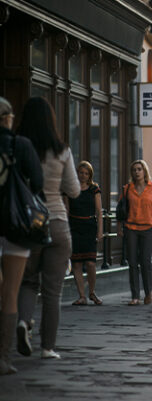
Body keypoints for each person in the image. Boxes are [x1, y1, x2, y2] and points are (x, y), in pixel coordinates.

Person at [16, 97, 80, 360]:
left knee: (28, 281)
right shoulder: (62, 150)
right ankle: (48, 347)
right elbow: (75, 190)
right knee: (53, 290)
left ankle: (23, 322)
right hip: (57, 223)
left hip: (28, 223)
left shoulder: (18, 148)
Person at [0, 96, 42, 375]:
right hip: (15, 226)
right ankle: (3, 358)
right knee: (10, 292)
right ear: (7, 118)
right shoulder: (21, 144)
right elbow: (37, 183)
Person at [120, 160, 152, 306]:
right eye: (134, 170)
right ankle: (135, 296)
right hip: (131, 228)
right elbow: (121, 210)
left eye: (139, 169)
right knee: (132, 262)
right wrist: (121, 227)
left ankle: (148, 293)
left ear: (144, 171)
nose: (137, 172)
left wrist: (150, 212)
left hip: (147, 229)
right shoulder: (127, 188)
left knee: (145, 261)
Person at [68, 161, 104, 306]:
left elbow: (99, 212)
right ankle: (82, 295)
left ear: (89, 175)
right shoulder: (71, 189)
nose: (83, 175)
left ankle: (92, 291)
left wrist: (100, 231)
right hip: (74, 226)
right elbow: (65, 209)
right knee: (76, 263)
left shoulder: (94, 189)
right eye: (80, 172)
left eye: (85, 173)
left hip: (89, 226)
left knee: (90, 263)